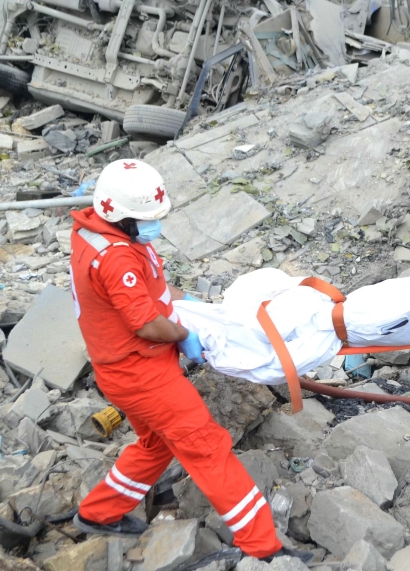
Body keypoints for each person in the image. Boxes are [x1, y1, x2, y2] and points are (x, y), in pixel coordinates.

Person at [69, 159, 282, 559]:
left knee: (155, 445)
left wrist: (181, 302)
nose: (154, 228)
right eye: (146, 221)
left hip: (122, 369)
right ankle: (264, 547)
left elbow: (138, 295)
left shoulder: (95, 234)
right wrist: (184, 335)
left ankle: (98, 513)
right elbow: (147, 323)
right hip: (142, 372)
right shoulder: (116, 257)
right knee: (206, 447)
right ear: (121, 215)